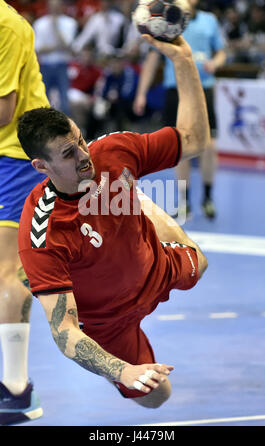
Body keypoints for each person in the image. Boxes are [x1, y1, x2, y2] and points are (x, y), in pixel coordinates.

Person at [17, 33, 209, 409]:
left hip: (152, 267)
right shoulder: (42, 231)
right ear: (41, 166)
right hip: (109, 321)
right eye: (69, 154)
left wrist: (184, 60)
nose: (85, 157)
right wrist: (122, 370)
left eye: (82, 141)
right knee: (156, 397)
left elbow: (194, 138)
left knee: (199, 262)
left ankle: (142, 204)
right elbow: (64, 331)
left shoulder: (112, 151)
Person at [133, 0, 226, 219]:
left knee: (209, 146)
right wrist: (141, 93)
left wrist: (215, 63)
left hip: (204, 88)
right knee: (181, 147)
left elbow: (222, 52)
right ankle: (184, 200)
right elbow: (152, 61)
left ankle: (207, 197)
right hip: (175, 91)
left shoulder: (209, 21)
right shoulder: (165, 24)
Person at [0, 0, 49, 425]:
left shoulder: (8, 27)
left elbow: (3, 111)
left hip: (15, 158)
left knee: (8, 270)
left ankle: (15, 389)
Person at [33, 0, 78, 115]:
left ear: (61, 7)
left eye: (57, 6)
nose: (54, 9)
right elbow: (38, 49)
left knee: (64, 100)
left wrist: (55, 27)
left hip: (62, 64)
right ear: (48, 7)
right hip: (46, 65)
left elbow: (68, 46)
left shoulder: (70, 23)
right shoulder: (40, 23)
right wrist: (57, 47)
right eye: (52, 6)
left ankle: (68, 130)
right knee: (43, 100)